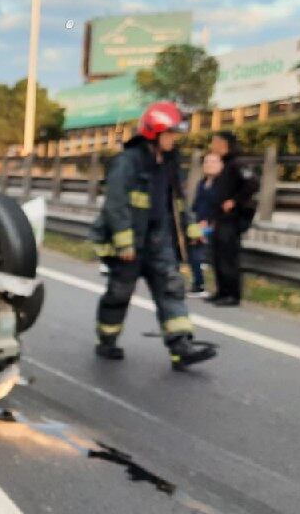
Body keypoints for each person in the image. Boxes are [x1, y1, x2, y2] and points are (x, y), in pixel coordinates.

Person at [89, 100, 218, 370]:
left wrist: (191, 228)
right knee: (119, 293)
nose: (173, 139)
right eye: (170, 133)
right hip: (130, 241)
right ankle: (107, 340)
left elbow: (178, 200)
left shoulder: (169, 163)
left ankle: (181, 347)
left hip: (159, 239)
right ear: (154, 133)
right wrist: (124, 241)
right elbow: (115, 202)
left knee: (171, 288)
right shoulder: (128, 161)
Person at [205, 132, 258, 307]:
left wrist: (235, 201)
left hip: (232, 218)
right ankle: (221, 291)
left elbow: (253, 183)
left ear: (224, 144)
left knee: (228, 256)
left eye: (215, 143)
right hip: (220, 217)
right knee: (217, 255)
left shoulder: (238, 163)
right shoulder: (223, 164)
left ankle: (232, 295)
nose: (212, 146)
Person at [188, 152, 223, 297]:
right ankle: (198, 282)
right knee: (192, 248)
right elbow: (196, 206)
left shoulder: (222, 185)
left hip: (216, 224)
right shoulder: (201, 184)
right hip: (200, 224)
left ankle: (204, 284)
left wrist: (208, 222)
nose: (209, 165)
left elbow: (219, 207)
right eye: (206, 162)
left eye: (213, 162)